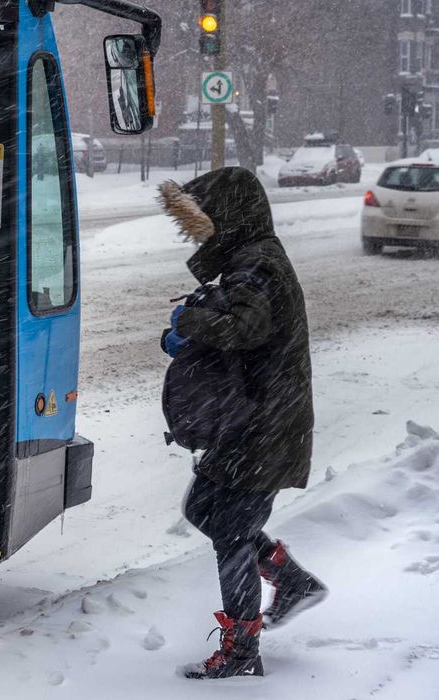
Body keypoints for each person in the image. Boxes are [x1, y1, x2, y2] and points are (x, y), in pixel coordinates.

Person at [156, 167, 328, 681]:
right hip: (251, 418)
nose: (200, 233)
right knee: (205, 507)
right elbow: (242, 327)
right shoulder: (250, 258)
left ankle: (241, 651)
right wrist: (193, 330)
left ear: (229, 217)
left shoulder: (257, 263)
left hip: (264, 422)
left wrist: (189, 321)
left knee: (230, 529)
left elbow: (244, 328)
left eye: (206, 221)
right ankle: (290, 580)